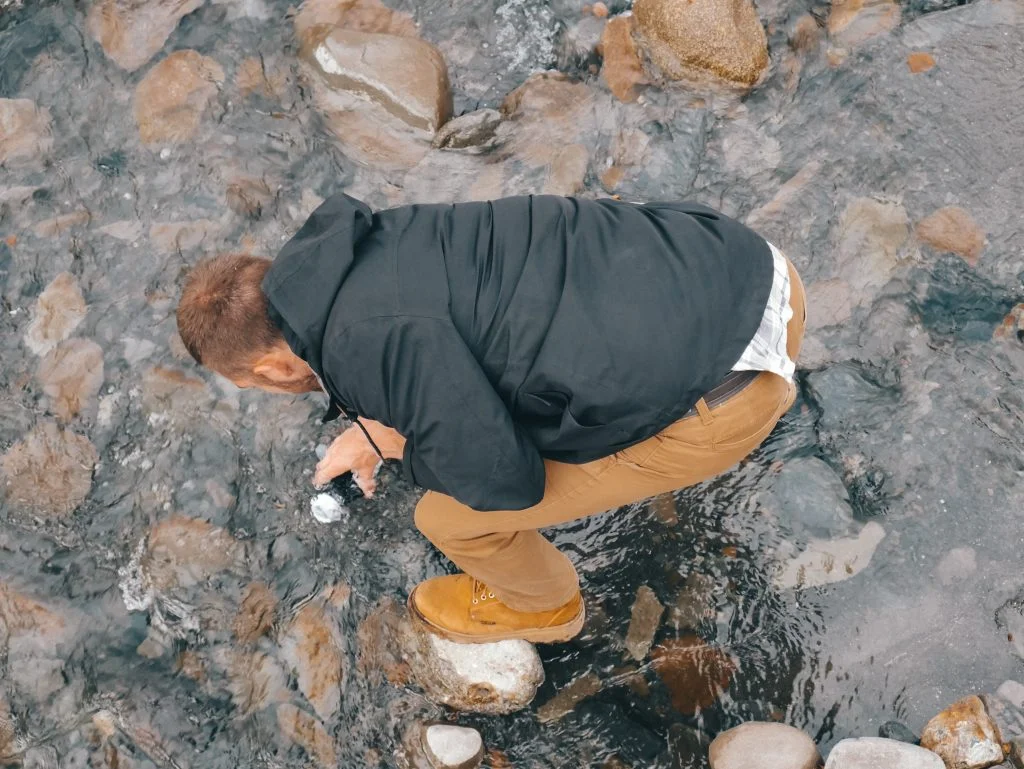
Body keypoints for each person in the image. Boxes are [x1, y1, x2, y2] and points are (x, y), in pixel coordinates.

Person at [175, 193, 806, 645]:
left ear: (271, 371)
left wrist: (400, 448)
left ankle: (544, 610)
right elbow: (448, 338)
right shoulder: (375, 237)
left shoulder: (369, 347)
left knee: (449, 518)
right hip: (743, 263)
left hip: (735, 391)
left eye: (249, 384)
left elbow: (508, 483)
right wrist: (379, 427)